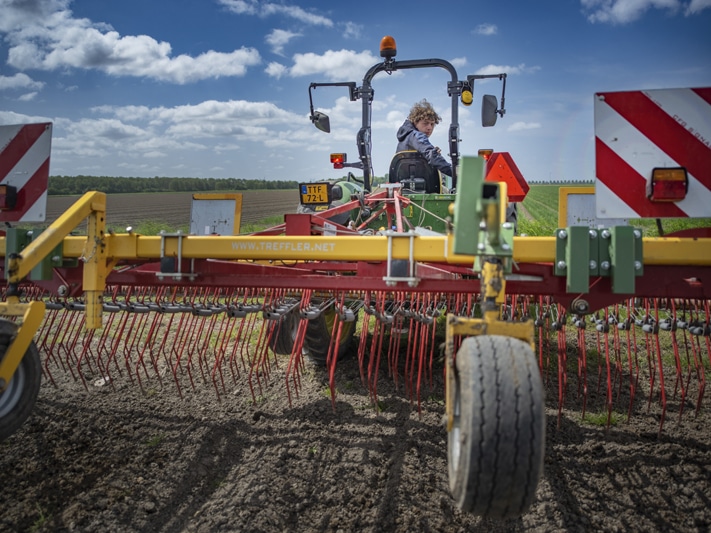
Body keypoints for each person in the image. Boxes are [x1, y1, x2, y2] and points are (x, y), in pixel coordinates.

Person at [396, 99, 453, 177]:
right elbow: (432, 157)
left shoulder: (406, 138)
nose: (429, 127)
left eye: (432, 124)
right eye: (425, 123)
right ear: (415, 122)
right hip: (418, 184)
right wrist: (456, 173)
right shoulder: (416, 136)